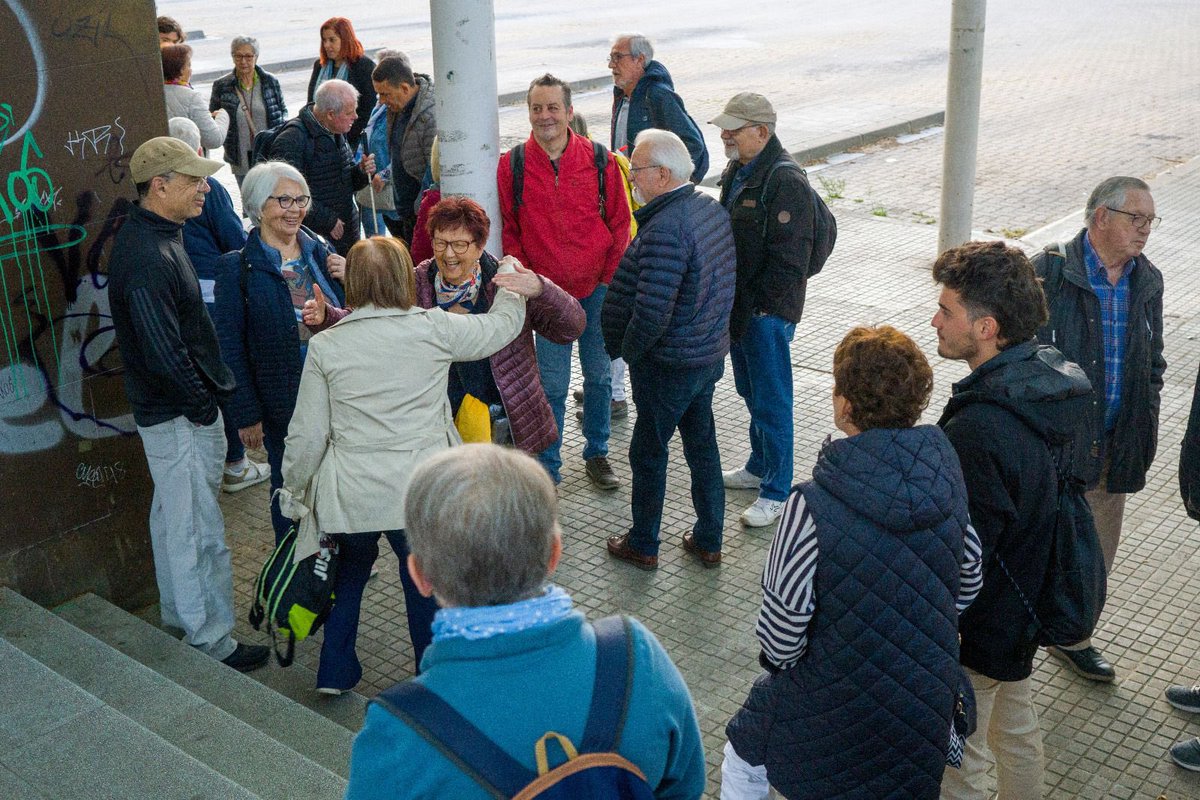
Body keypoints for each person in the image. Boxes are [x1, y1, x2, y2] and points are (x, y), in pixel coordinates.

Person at [343, 443, 707, 799]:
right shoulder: (634, 659)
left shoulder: (397, 733)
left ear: (419, 575)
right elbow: (687, 787)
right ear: (554, 554)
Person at [721, 325, 982, 799]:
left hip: (829, 712)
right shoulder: (949, 477)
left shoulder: (811, 504)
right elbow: (969, 580)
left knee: (743, 755)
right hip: (923, 705)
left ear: (843, 407)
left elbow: (781, 639)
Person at [280, 237, 533, 694]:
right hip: (418, 492)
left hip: (350, 493)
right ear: (403, 278)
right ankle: (431, 673)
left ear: (350, 283)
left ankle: (334, 674)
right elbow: (501, 327)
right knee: (423, 583)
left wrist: (293, 490)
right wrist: (512, 279)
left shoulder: (327, 347)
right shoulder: (433, 328)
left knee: (348, 577)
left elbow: (307, 434)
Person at [932, 240, 1092, 800]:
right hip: (1029, 598)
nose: (935, 320)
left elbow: (966, 548)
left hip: (984, 618)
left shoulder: (979, 426)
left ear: (986, 327)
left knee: (961, 758)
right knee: (1016, 728)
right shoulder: (1046, 381)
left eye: (947, 310)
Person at [108, 136, 268, 673]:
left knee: (174, 520)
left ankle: (183, 619)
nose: (205, 187)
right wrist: (203, 409)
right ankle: (212, 640)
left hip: (173, 411)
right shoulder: (149, 254)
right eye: (193, 178)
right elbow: (163, 349)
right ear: (160, 185)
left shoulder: (154, 238)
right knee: (197, 529)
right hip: (179, 416)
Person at [1031, 176, 1166, 683]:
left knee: (1095, 558)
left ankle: (1074, 638)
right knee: (1037, 545)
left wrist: (1144, 422)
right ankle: (1017, 631)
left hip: (1114, 445)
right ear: (1100, 217)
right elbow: (1016, 356)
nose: (1145, 230)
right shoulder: (1048, 270)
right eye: (1137, 218)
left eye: (1151, 221)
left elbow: (1152, 363)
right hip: (1055, 448)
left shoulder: (1147, 280)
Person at [602, 130, 735, 570]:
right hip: (705, 357)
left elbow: (651, 312)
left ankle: (643, 543)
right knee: (703, 446)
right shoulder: (709, 209)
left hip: (669, 365)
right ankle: (708, 539)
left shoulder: (666, 228)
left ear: (661, 174)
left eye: (636, 170)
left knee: (648, 451)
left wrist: (629, 352)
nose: (632, 179)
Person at [498, 74, 632, 489]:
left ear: (569, 111)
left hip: (597, 291)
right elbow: (511, 230)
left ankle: (597, 452)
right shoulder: (513, 164)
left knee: (599, 376)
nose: (545, 116)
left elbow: (619, 224)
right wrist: (530, 281)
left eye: (552, 107)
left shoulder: (600, 160)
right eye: (536, 108)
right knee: (552, 384)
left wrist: (608, 282)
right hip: (547, 295)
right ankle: (549, 466)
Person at [212, 161, 346, 545]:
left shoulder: (321, 252)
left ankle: (331, 557)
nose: (294, 209)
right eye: (283, 199)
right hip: (282, 401)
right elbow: (231, 347)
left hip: (334, 392)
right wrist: (246, 414)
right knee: (289, 483)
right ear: (257, 204)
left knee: (334, 476)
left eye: (300, 199)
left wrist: (351, 274)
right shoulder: (237, 268)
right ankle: (293, 564)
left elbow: (354, 318)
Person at [711, 93, 822, 528]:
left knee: (773, 400)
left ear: (763, 131)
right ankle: (758, 466)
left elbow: (791, 263)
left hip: (765, 313)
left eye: (735, 128)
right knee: (751, 392)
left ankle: (777, 490)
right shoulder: (739, 171)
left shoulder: (785, 181)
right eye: (726, 127)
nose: (725, 134)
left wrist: (763, 312)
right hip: (741, 307)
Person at [167, 117, 269, 495]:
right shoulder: (206, 188)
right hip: (212, 292)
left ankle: (218, 463)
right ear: (197, 150)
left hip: (181, 293)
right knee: (224, 375)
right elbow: (233, 239)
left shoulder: (159, 191)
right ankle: (236, 464)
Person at [268, 79, 375, 257]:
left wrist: (361, 171)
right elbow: (285, 195)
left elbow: (344, 181)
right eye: (350, 112)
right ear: (331, 114)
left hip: (345, 231)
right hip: (316, 239)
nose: (356, 117)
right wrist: (326, 220)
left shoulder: (336, 131)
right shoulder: (292, 140)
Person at [371, 56, 436, 243]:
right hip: (405, 211)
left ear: (405, 88)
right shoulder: (397, 107)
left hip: (421, 215)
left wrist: (419, 209)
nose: (382, 101)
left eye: (385, 94)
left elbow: (432, 173)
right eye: (379, 95)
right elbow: (399, 152)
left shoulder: (430, 116)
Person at [208, 36, 288, 187]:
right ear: (232, 57)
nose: (243, 61)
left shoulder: (270, 82)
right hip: (240, 155)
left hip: (269, 152)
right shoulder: (222, 85)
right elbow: (214, 116)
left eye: (248, 56)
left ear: (256, 57)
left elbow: (282, 111)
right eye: (238, 56)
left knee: (271, 195)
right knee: (248, 199)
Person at [306, 17, 376, 149]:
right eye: (324, 40)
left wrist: (344, 135)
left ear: (345, 40)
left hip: (351, 140)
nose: (327, 45)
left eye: (332, 40)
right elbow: (311, 102)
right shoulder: (320, 66)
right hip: (318, 139)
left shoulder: (363, 66)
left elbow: (368, 108)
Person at [161, 45, 229, 154]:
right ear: (181, 70)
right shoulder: (191, 97)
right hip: (187, 162)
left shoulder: (151, 93)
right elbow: (214, 140)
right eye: (189, 65)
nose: (191, 70)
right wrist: (223, 116)